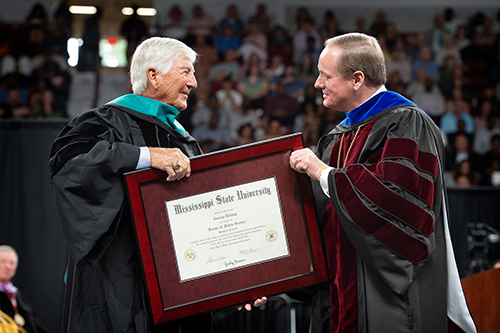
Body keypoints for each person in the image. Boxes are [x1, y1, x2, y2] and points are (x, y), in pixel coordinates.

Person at [49, 37, 265, 333]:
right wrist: (146, 156)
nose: (194, 83)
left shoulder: (184, 142)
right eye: (186, 72)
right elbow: (69, 165)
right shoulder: (104, 122)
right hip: (120, 281)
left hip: (175, 291)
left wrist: (236, 280)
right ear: (153, 75)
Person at [289, 33, 476, 332]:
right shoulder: (337, 136)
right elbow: (319, 221)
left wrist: (325, 174)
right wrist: (276, 273)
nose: (317, 84)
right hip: (337, 296)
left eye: (325, 75)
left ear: (357, 79)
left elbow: (399, 205)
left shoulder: (406, 123)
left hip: (385, 299)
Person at [0, 245, 47, 333]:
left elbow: (35, 325)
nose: (8, 266)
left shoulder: (17, 295)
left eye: (12, 263)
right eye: (3, 261)